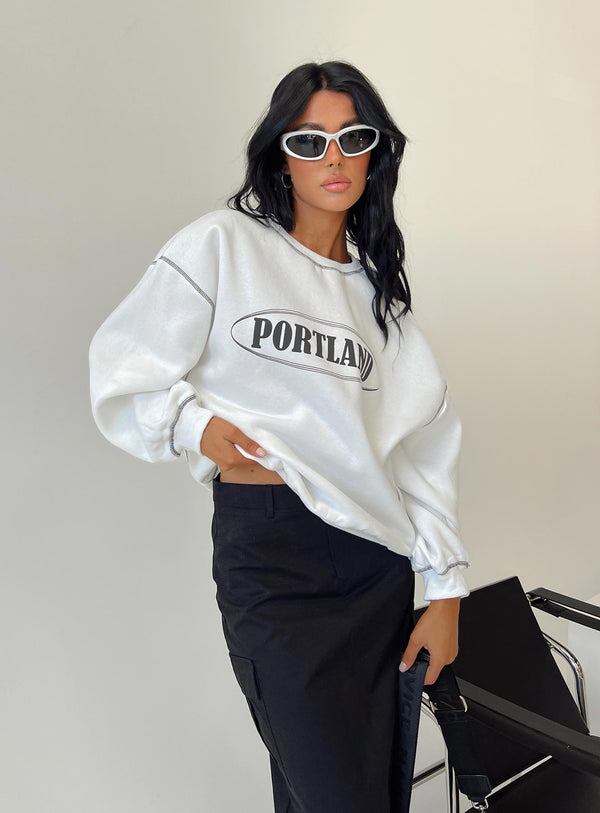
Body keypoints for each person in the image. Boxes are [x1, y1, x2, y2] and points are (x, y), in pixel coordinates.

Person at [89, 60, 469, 813]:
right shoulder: (222, 246)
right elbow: (121, 364)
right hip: (272, 558)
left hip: (375, 568)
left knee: (348, 791)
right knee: (335, 792)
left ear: (374, 154)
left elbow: (422, 452)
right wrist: (194, 425)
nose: (333, 157)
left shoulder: (379, 300)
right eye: (309, 140)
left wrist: (446, 589)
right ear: (280, 155)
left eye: (352, 138)